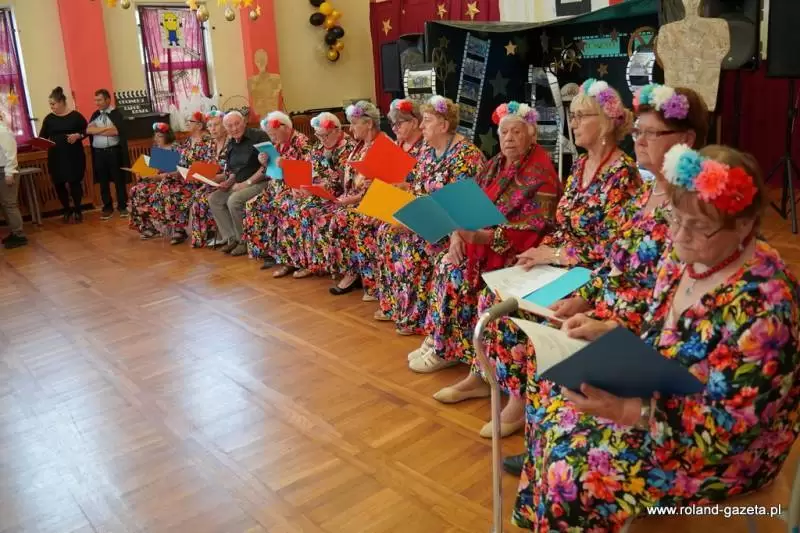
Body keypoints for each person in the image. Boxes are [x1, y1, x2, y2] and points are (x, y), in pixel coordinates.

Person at [511, 145, 800, 531]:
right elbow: (661, 333)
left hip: (720, 452)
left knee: (575, 471)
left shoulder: (766, 305)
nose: (678, 235)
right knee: (553, 401)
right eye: (676, 218)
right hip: (664, 396)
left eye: (698, 226)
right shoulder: (685, 257)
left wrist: (627, 411)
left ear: (745, 225)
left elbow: (731, 431)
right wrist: (611, 335)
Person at [440, 79, 641, 436]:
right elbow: (561, 224)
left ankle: (519, 401)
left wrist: (558, 253)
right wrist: (540, 251)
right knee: (493, 295)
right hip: (562, 261)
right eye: (572, 116)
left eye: (582, 116)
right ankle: (484, 375)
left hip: (593, 271)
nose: (574, 123)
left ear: (608, 122)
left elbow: (615, 246)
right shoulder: (580, 166)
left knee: (519, 308)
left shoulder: (622, 174)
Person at [409, 102, 561, 379]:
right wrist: (457, 235)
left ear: (532, 135)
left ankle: (448, 349)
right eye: (504, 132)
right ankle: (443, 341)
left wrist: (484, 237)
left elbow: (535, 228)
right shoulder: (495, 165)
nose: (509, 138)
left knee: (454, 271)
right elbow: (466, 203)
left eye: (516, 132)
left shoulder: (541, 174)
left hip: (516, 253)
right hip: (479, 241)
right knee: (447, 262)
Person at [374, 95, 486, 335]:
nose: (421, 125)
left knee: (413, 246)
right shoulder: (427, 150)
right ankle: (399, 307)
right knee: (386, 231)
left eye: (426, 120)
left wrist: (417, 222)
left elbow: (466, 207)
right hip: (426, 218)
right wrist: (403, 207)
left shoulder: (466, 155)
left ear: (443, 125)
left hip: (453, 228)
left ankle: (418, 317)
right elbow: (418, 188)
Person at [340, 98, 426, 300]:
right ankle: (376, 285)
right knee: (362, 220)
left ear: (414, 122)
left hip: (411, 203)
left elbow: (418, 183)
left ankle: (392, 292)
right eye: (392, 124)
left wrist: (399, 185)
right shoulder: (398, 144)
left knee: (381, 228)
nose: (394, 128)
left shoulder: (424, 147)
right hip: (392, 198)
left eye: (398, 124)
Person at [271, 112, 357, 278]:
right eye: (318, 135)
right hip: (317, 192)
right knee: (286, 205)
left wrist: (318, 187)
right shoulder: (318, 147)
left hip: (338, 195)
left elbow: (345, 182)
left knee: (307, 211)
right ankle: (294, 260)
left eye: (325, 135)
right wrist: (299, 186)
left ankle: (316, 263)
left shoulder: (348, 147)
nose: (322, 139)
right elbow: (307, 170)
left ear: (337, 130)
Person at [316, 100, 381, 294]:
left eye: (354, 123)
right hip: (352, 198)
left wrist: (352, 199)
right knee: (326, 212)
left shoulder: (381, 145)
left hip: (372, 201)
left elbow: (380, 185)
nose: (350, 129)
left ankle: (365, 279)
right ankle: (349, 270)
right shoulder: (360, 146)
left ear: (369, 123)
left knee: (343, 217)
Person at [241, 110, 311, 267]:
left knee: (281, 206)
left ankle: (291, 258)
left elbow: (308, 169)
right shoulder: (278, 144)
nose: (271, 138)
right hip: (276, 188)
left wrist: (286, 164)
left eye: (273, 134)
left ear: (284, 127)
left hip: (294, 188)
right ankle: (267, 251)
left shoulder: (301, 142)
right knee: (253, 205)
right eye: (269, 135)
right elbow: (272, 170)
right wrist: (265, 162)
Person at [208, 111, 268, 256]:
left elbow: (267, 167)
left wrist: (247, 183)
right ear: (226, 128)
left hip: (262, 182)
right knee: (214, 199)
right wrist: (228, 182)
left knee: (234, 200)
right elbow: (235, 170)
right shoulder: (231, 143)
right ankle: (231, 238)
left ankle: (243, 241)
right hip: (239, 183)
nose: (234, 128)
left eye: (237, 123)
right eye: (230, 126)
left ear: (244, 122)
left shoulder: (259, 136)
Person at [154, 110, 214, 245]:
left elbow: (209, 165)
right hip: (185, 178)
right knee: (166, 186)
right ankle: (178, 228)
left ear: (199, 125)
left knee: (173, 191)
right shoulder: (188, 141)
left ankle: (184, 228)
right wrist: (174, 172)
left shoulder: (208, 141)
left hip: (199, 180)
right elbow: (180, 163)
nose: (187, 123)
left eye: (190, 121)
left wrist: (189, 173)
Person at [39, 87, 88, 223]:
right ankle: (66, 209)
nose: (51, 107)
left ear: (61, 102)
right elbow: (42, 137)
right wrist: (41, 143)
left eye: (53, 104)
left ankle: (77, 210)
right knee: (59, 183)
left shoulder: (76, 116)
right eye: (50, 104)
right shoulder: (49, 119)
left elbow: (87, 130)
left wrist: (78, 135)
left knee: (75, 182)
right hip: (56, 157)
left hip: (74, 155)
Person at [128, 123, 177, 239]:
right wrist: (142, 172)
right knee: (135, 190)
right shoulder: (157, 148)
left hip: (170, 180)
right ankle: (147, 226)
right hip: (157, 179)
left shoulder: (175, 148)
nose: (157, 138)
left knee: (146, 191)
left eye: (160, 136)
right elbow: (155, 168)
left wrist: (156, 176)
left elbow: (175, 171)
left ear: (167, 136)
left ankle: (160, 225)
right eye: (155, 136)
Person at [189, 110, 230, 248]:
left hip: (227, 181)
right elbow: (207, 165)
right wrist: (200, 175)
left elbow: (234, 170)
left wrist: (217, 178)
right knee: (197, 195)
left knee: (205, 198)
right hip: (212, 181)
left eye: (216, 125)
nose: (213, 129)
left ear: (225, 126)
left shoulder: (231, 143)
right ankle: (205, 236)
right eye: (210, 126)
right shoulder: (211, 145)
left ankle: (219, 234)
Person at [87, 88, 129, 220]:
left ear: (107, 100)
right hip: (99, 153)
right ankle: (107, 207)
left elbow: (115, 132)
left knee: (118, 180)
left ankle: (122, 206)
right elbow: (88, 130)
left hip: (113, 152)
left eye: (99, 100)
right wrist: (105, 128)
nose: (97, 103)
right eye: (95, 100)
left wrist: (98, 130)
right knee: (103, 181)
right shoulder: (95, 114)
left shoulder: (116, 114)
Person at [0, 113, 26, 249]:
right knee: (5, 203)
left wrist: (9, 173)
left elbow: (10, 154)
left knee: (10, 204)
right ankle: (14, 231)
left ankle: (19, 234)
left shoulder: (2, 131)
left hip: (7, 170)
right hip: (2, 169)